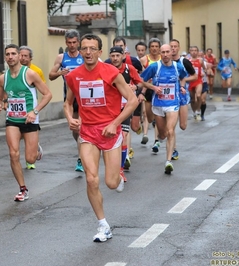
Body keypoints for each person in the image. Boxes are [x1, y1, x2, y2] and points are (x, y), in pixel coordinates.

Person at [64, 34, 137, 242]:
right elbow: (67, 103)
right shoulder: (74, 76)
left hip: (110, 132)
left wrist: (115, 123)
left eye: (92, 48)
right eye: (84, 48)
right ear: (80, 50)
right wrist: (71, 118)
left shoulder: (111, 73)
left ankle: (118, 177)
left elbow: (131, 101)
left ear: (99, 52)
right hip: (88, 132)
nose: (88, 52)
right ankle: (103, 225)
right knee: (91, 178)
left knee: (111, 183)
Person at [0, 44, 52, 202]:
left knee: (30, 159)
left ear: (20, 56)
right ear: (5, 57)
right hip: (12, 119)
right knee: (13, 154)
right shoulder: (3, 78)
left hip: (29, 119)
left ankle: (36, 149)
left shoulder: (30, 74)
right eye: (8, 54)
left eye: (14, 53)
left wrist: (34, 111)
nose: (11, 57)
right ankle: (22, 189)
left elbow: (48, 95)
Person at [140, 44, 187, 174]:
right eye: (163, 52)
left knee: (170, 131)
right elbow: (141, 80)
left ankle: (168, 161)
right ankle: (160, 135)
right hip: (158, 104)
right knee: (162, 134)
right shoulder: (155, 67)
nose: (166, 54)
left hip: (173, 103)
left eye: (168, 52)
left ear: (171, 52)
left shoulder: (178, 67)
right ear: (160, 53)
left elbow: (183, 77)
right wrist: (153, 88)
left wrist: (182, 86)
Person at [49, 29, 84, 172]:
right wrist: (60, 73)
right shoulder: (61, 57)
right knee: (75, 129)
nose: (72, 45)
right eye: (69, 43)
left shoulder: (84, 55)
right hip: (69, 97)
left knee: (81, 128)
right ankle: (84, 147)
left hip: (84, 96)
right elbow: (51, 75)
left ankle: (81, 159)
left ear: (78, 42)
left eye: (74, 42)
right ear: (66, 43)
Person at [105, 36, 142, 163]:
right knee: (112, 135)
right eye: (113, 56)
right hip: (110, 107)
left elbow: (141, 83)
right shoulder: (105, 68)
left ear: (123, 56)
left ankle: (122, 163)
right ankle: (117, 159)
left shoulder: (130, 68)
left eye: (117, 55)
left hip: (125, 106)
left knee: (124, 134)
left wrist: (135, 87)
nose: (115, 58)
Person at [169, 39, 197, 160]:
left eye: (175, 46)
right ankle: (173, 149)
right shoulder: (165, 61)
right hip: (170, 97)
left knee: (183, 126)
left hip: (183, 96)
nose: (173, 49)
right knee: (171, 126)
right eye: (171, 47)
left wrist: (185, 80)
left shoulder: (184, 61)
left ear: (178, 48)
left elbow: (195, 75)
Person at [19, 45, 45, 169]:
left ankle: (30, 159)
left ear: (30, 58)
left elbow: (43, 89)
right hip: (17, 108)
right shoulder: (13, 70)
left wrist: (36, 107)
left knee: (29, 131)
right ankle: (33, 146)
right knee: (21, 134)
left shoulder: (36, 71)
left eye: (25, 56)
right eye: (21, 55)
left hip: (31, 108)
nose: (22, 58)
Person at [140, 38, 163, 152]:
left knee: (158, 114)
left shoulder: (163, 59)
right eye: (152, 46)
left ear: (159, 48)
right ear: (149, 48)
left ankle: (156, 141)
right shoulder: (144, 60)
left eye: (156, 46)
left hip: (159, 91)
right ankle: (153, 122)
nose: (154, 48)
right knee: (149, 117)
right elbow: (141, 77)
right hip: (148, 90)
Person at [188, 46, 205, 120]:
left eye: (195, 50)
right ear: (190, 52)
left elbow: (204, 68)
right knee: (192, 99)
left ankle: (198, 110)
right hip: (191, 81)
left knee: (198, 96)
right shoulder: (187, 60)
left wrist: (203, 73)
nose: (194, 52)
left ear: (197, 52)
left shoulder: (200, 60)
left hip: (198, 81)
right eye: (192, 50)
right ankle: (194, 111)